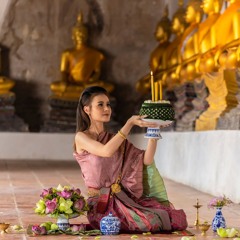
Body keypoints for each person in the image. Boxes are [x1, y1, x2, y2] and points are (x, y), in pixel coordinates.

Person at [73, 86, 188, 233]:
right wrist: (129, 124)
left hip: (123, 199)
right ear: (87, 109)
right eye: (100, 105)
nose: (106, 108)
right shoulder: (81, 137)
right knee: (149, 222)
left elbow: (145, 160)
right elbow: (106, 151)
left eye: (108, 104)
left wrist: (154, 131)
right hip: (100, 205)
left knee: (164, 217)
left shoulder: (116, 139)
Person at [50, 13, 114, 100]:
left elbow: (97, 72)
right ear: (73, 36)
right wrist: (64, 82)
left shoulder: (95, 53)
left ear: (87, 36)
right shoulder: (67, 53)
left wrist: (92, 80)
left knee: (108, 87)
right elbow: (64, 72)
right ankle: (84, 92)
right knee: (54, 86)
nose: (80, 36)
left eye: (83, 33)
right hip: (72, 84)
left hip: (88, 84)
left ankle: (83, 91)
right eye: (78, 34)